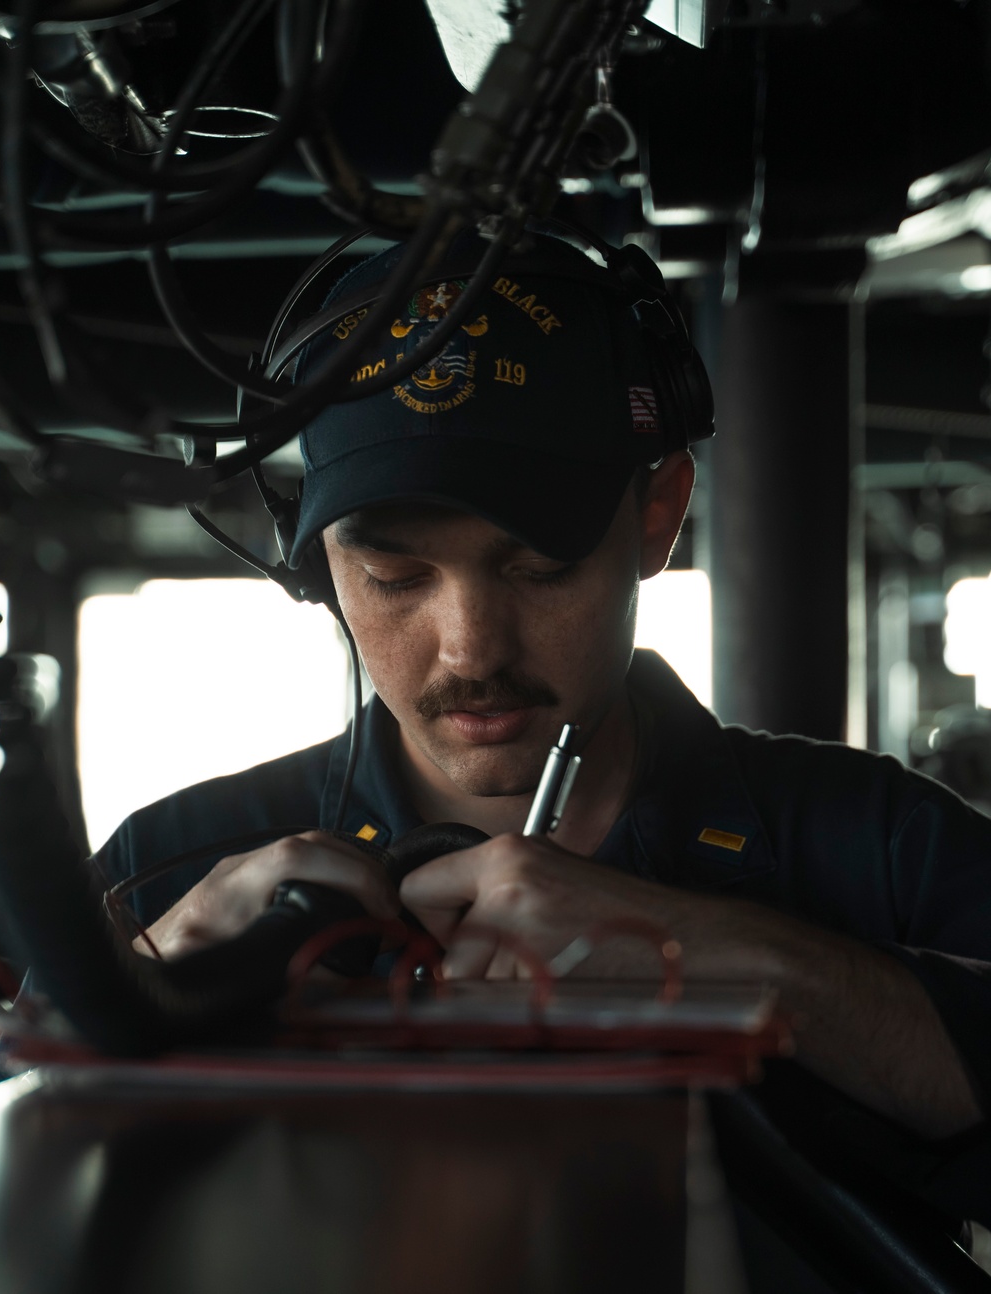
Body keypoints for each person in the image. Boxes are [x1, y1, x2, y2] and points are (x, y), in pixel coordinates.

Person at [97, 230, 990, 1256]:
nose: (471, 645)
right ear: (313, 559)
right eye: (394, 577)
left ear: (656, 516)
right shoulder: (164, 874)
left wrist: (730, 955)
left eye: (540, 565)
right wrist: (127, 1017)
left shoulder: (877, 844)